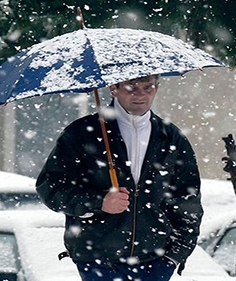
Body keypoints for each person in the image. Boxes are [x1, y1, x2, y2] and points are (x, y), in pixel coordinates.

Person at [36, 74, 203, 281]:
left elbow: (187, 198)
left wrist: (175, 256)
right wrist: (99, 202)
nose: (140, 94)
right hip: (97, 258)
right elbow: (51, 187)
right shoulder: (81, 134)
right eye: (132, 87)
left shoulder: (170, 137)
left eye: (148, 87)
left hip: (155, 260)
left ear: (157, 89)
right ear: (113, 88)